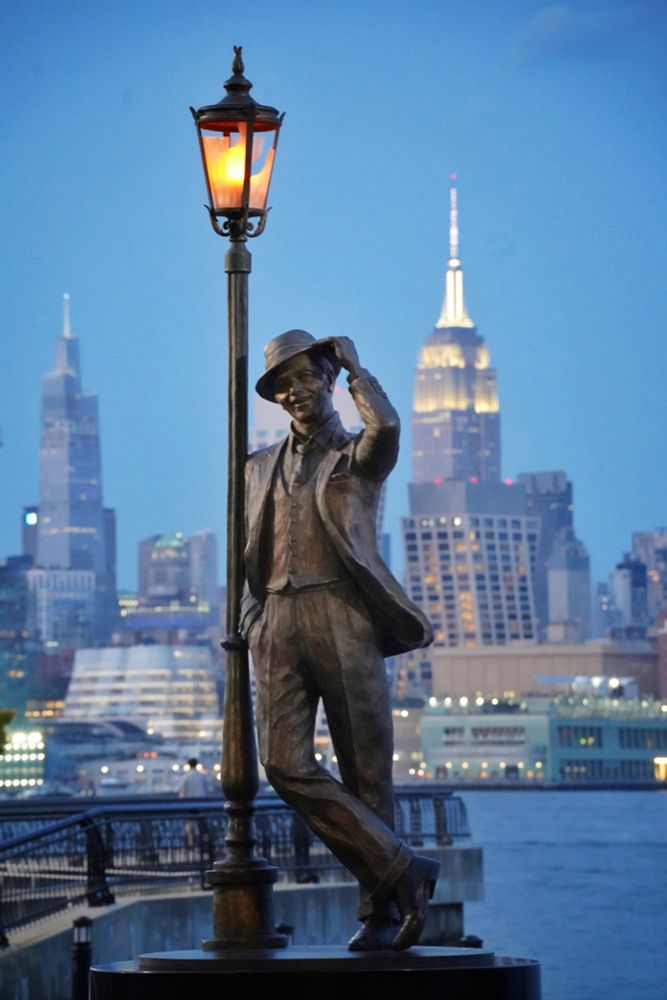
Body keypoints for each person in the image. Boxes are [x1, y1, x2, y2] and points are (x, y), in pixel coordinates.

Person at [241, 329, 438, 952]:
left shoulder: (358, 455)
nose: (296, 392)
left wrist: (356, 368)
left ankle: (379, 912)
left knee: (367, 769)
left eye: (306, 378)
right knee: (282, 763)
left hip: (342, 613)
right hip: (276, 618)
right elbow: (245, 548)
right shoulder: (255, 467)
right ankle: (402, 867)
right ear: (274, 398)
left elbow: (388, 429)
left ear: (326, 382)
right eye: (283, 385)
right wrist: (252, 617)